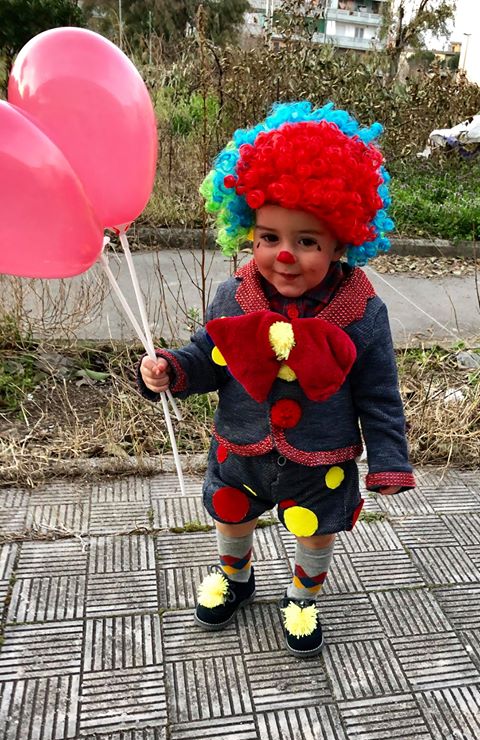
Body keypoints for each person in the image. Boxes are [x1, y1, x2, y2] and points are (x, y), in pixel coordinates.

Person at [138, 101, 415, 658]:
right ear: (248, 229)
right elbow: (208, 356)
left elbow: (379, 393)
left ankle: (302, 597)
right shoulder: (232, 297)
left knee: (315, 529)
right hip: (241, 449)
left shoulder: (362, 313)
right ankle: (236, 579)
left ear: (343, 241)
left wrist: (389, 459)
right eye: (268, 236)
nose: (284, 255)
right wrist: (171, 368)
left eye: (308, 241)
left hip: (321, 459)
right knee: (232, 516)